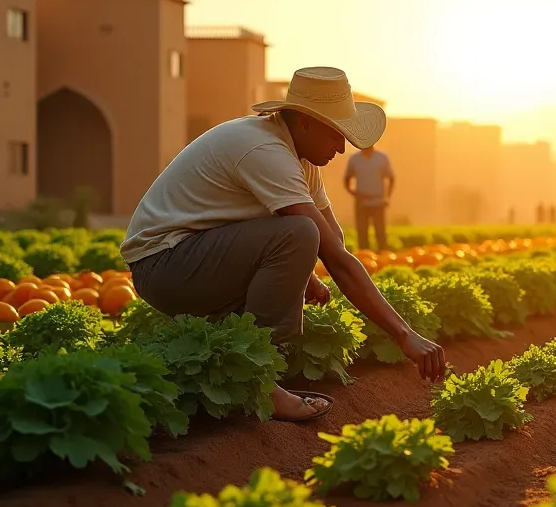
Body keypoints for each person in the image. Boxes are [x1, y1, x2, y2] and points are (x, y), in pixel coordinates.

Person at [120, 67, 447, 421]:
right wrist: (404, 334)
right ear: (305, 123)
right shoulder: (265, 150)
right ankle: (260, 379)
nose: (342, 148)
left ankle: (248, 367)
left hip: (194, 257)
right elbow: (327, 251)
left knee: (303, 234)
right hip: (164, 265)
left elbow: (334, 239)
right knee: (300, 233)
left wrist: (305, 273)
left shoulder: (299, 158)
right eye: (336, 135)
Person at [343, 144, 394, 252]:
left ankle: (383, 255)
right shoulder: (354, 159)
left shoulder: (382, 157)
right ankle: (364, 257)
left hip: (378, 201)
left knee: (380, 232)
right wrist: (354, 193)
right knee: (362, 233)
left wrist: (387, 197)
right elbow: (347, 178)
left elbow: (391, 178)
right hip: (361, 202)